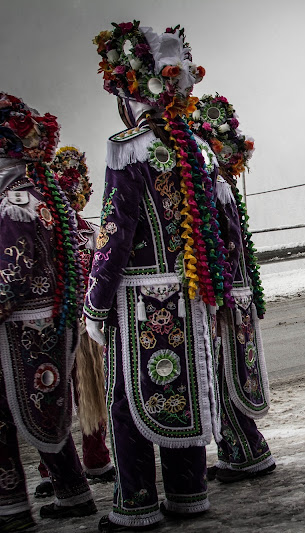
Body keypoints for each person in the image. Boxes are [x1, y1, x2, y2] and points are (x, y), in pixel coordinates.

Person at [86, 21, 226, 531]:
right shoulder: (196, 147)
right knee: (183, 388)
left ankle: (137, 503)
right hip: (191, 293)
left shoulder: (129, 147)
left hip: (141, 298)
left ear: (128, 91)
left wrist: (96, 303)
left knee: (128, 400)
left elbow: (114, 231)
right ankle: (189, 493)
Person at [0, 93, 97, 531]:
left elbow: (12, 273)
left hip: (20, 328)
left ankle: (11, 507)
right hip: (49, 322)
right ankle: (73, 492)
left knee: (8, 415)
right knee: (44, 410)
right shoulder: (39, 194)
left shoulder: (12, 203)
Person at [188, 94, 275, 483]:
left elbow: (226, 246)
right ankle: (238, 450)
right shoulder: (222, 189)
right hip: (231, 294)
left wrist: (217, 289)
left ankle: (245, 451)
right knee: (228, 374)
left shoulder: (217, 190)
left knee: (226, 377)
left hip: (226, 298)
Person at [33, 146, 115, 500]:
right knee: (61, 396)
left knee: (82, 393)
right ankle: (61, 466)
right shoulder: (62, 231)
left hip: (76, 324)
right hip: (61, 322)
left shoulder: (85, 233)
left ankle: (90, 459)